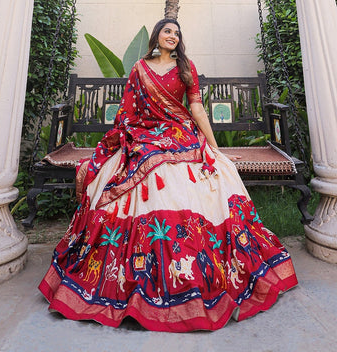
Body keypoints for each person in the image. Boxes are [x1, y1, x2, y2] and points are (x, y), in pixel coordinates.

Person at [39, 18, 298, 332]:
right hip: (145, 133)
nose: (173, 36)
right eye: (167, 31)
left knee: (193, 165)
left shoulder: (186, 68)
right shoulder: (139, 69)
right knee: (150, 157)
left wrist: (214, 148)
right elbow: (128, 110)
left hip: (180, 133)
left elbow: (197, 108)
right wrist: (134, 134)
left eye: (177, 32)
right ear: (157, 36)